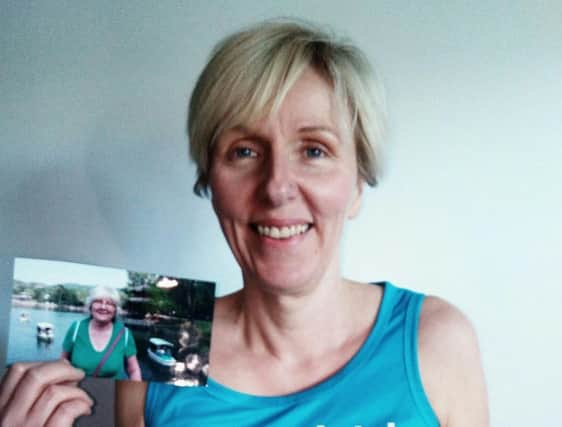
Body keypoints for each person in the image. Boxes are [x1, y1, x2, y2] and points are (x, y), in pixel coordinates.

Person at [0, 20, 488, 427]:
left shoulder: (433, 342)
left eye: (314, 150)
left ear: (358, 184)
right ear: (211, 182)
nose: (277, 186)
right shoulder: (158, 349)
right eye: (245, 151)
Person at [61, 286, 142, 381]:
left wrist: (136, 393)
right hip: (77, 392)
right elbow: (63, 362)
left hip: (111, 393)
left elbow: (133, 370)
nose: (103, 307)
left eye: (109, 304)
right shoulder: (76, 328)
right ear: (90, 305)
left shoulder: (125, 334)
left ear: (115, 309)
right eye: (98, 301)